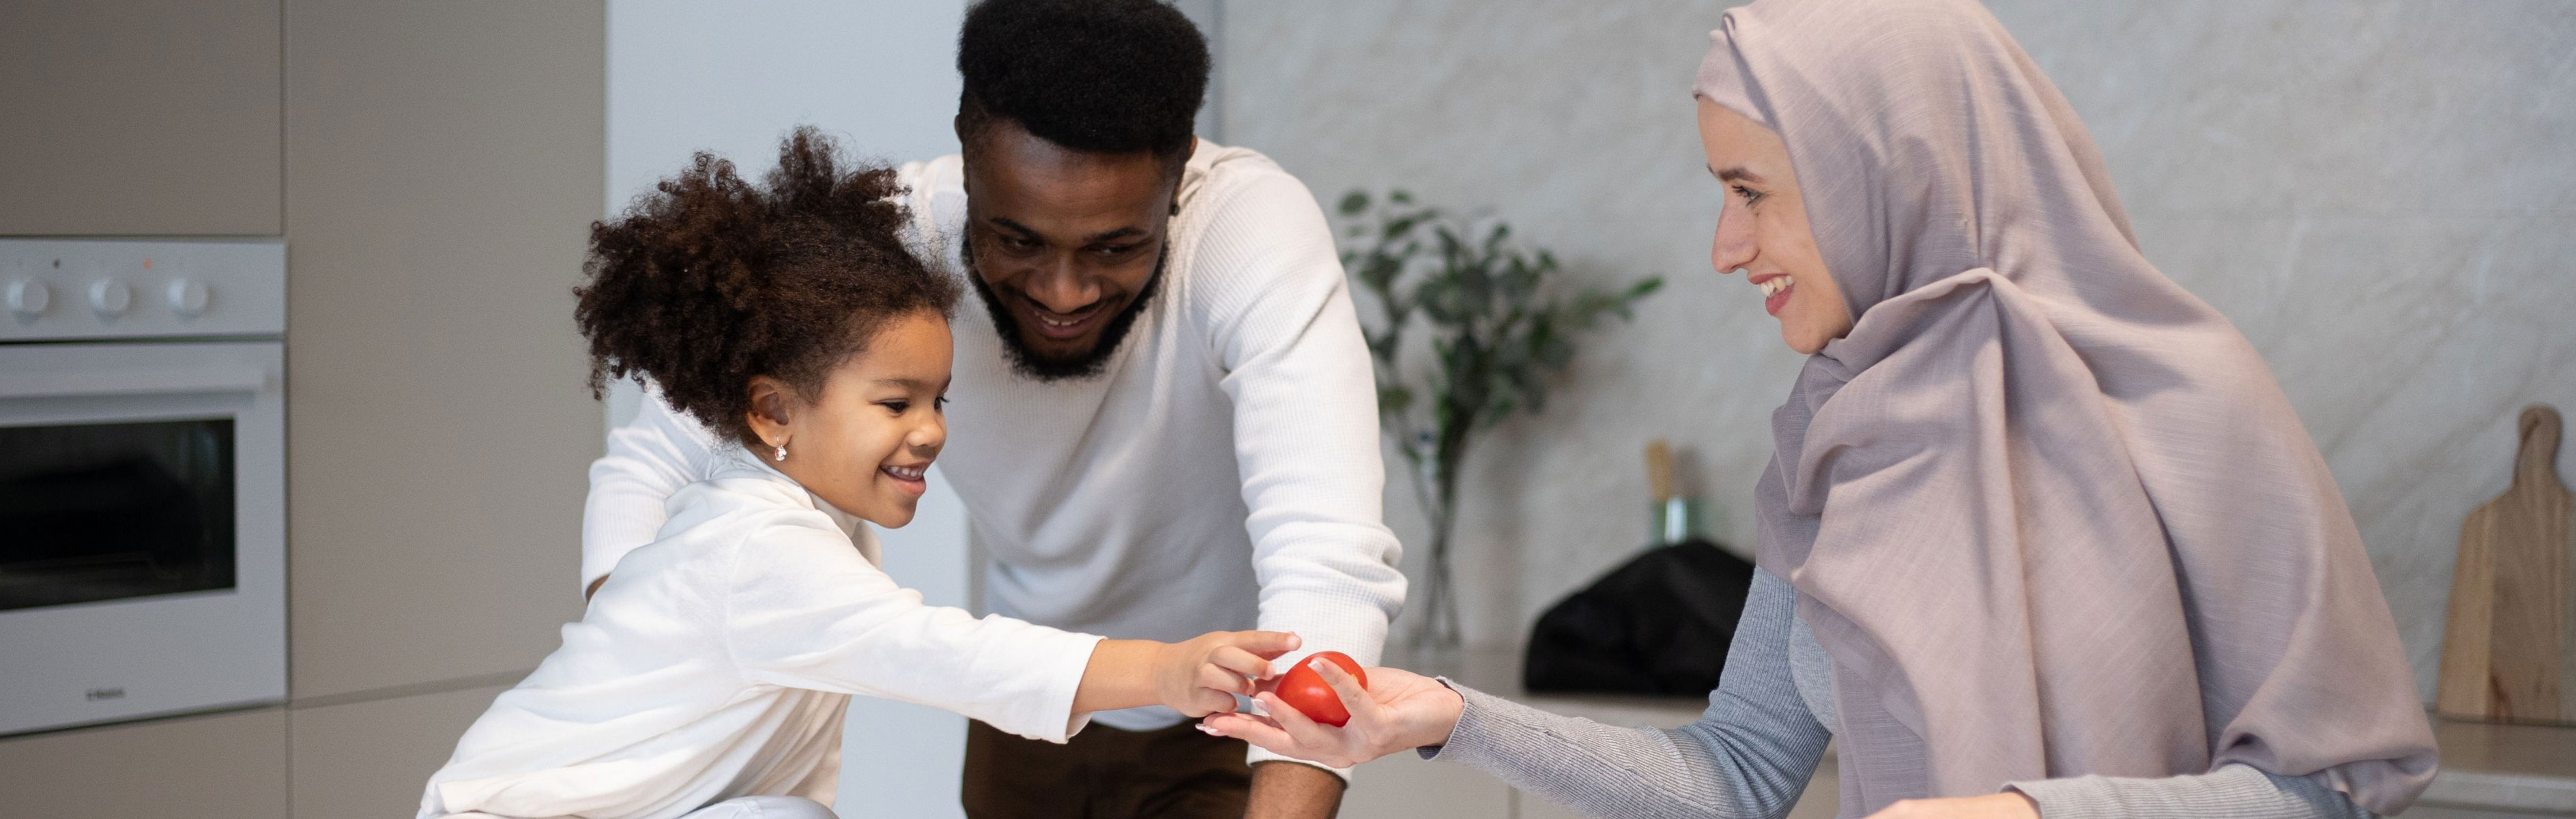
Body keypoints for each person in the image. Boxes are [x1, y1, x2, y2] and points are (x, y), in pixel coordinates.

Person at [1202, 1, 2443, 817]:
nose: (1724, 247)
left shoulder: (2185, 394)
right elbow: (1738, 771)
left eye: (1752, 191)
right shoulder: (1832, 436)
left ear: (1884, 175)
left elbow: (2332, 783)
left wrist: (2028, 815)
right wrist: (1451, 720)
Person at [583, 1, 1404, 816]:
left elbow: (1327, 552)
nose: (1062, 292)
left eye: (1116, 247)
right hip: (1030, 700)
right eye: (1016, 241)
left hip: (1229, 712)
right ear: (968, 151)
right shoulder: (895, 239)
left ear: (1181, 166)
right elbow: (658, 455)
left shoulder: (1248, 232)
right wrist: (630, 682)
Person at [418, 130, 1297, 819]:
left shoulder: (792, 514)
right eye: (895, 404)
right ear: (772, 413)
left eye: (939, 400)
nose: (930, 433)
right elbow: (945, 655)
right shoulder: (756, 546)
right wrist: (1167, 671)